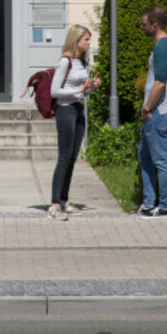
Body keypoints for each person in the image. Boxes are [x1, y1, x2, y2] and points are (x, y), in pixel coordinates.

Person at [48, 24, 101, 221]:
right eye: (86, 39)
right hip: (65, 110)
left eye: (89, 39)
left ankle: (64, 201)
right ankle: (54, 205)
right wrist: (76, 92)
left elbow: (83, 92)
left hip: (79, 109)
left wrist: (90, 88)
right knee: (64, 156)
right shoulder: (65, 62)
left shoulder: (83, 63)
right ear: (76, 40)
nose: (89, 43)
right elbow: (55, 91)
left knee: (72, 157)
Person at [137, 6, 167, 218]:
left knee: (161, 159)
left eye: (144, 24)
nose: (141, 27)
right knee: (144, 155)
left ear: (155, 25)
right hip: (158, 111)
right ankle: (148, 203)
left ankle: (165, 206)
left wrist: (147, 108)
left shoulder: (163, 47)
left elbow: (160, 83)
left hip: (158, 112)